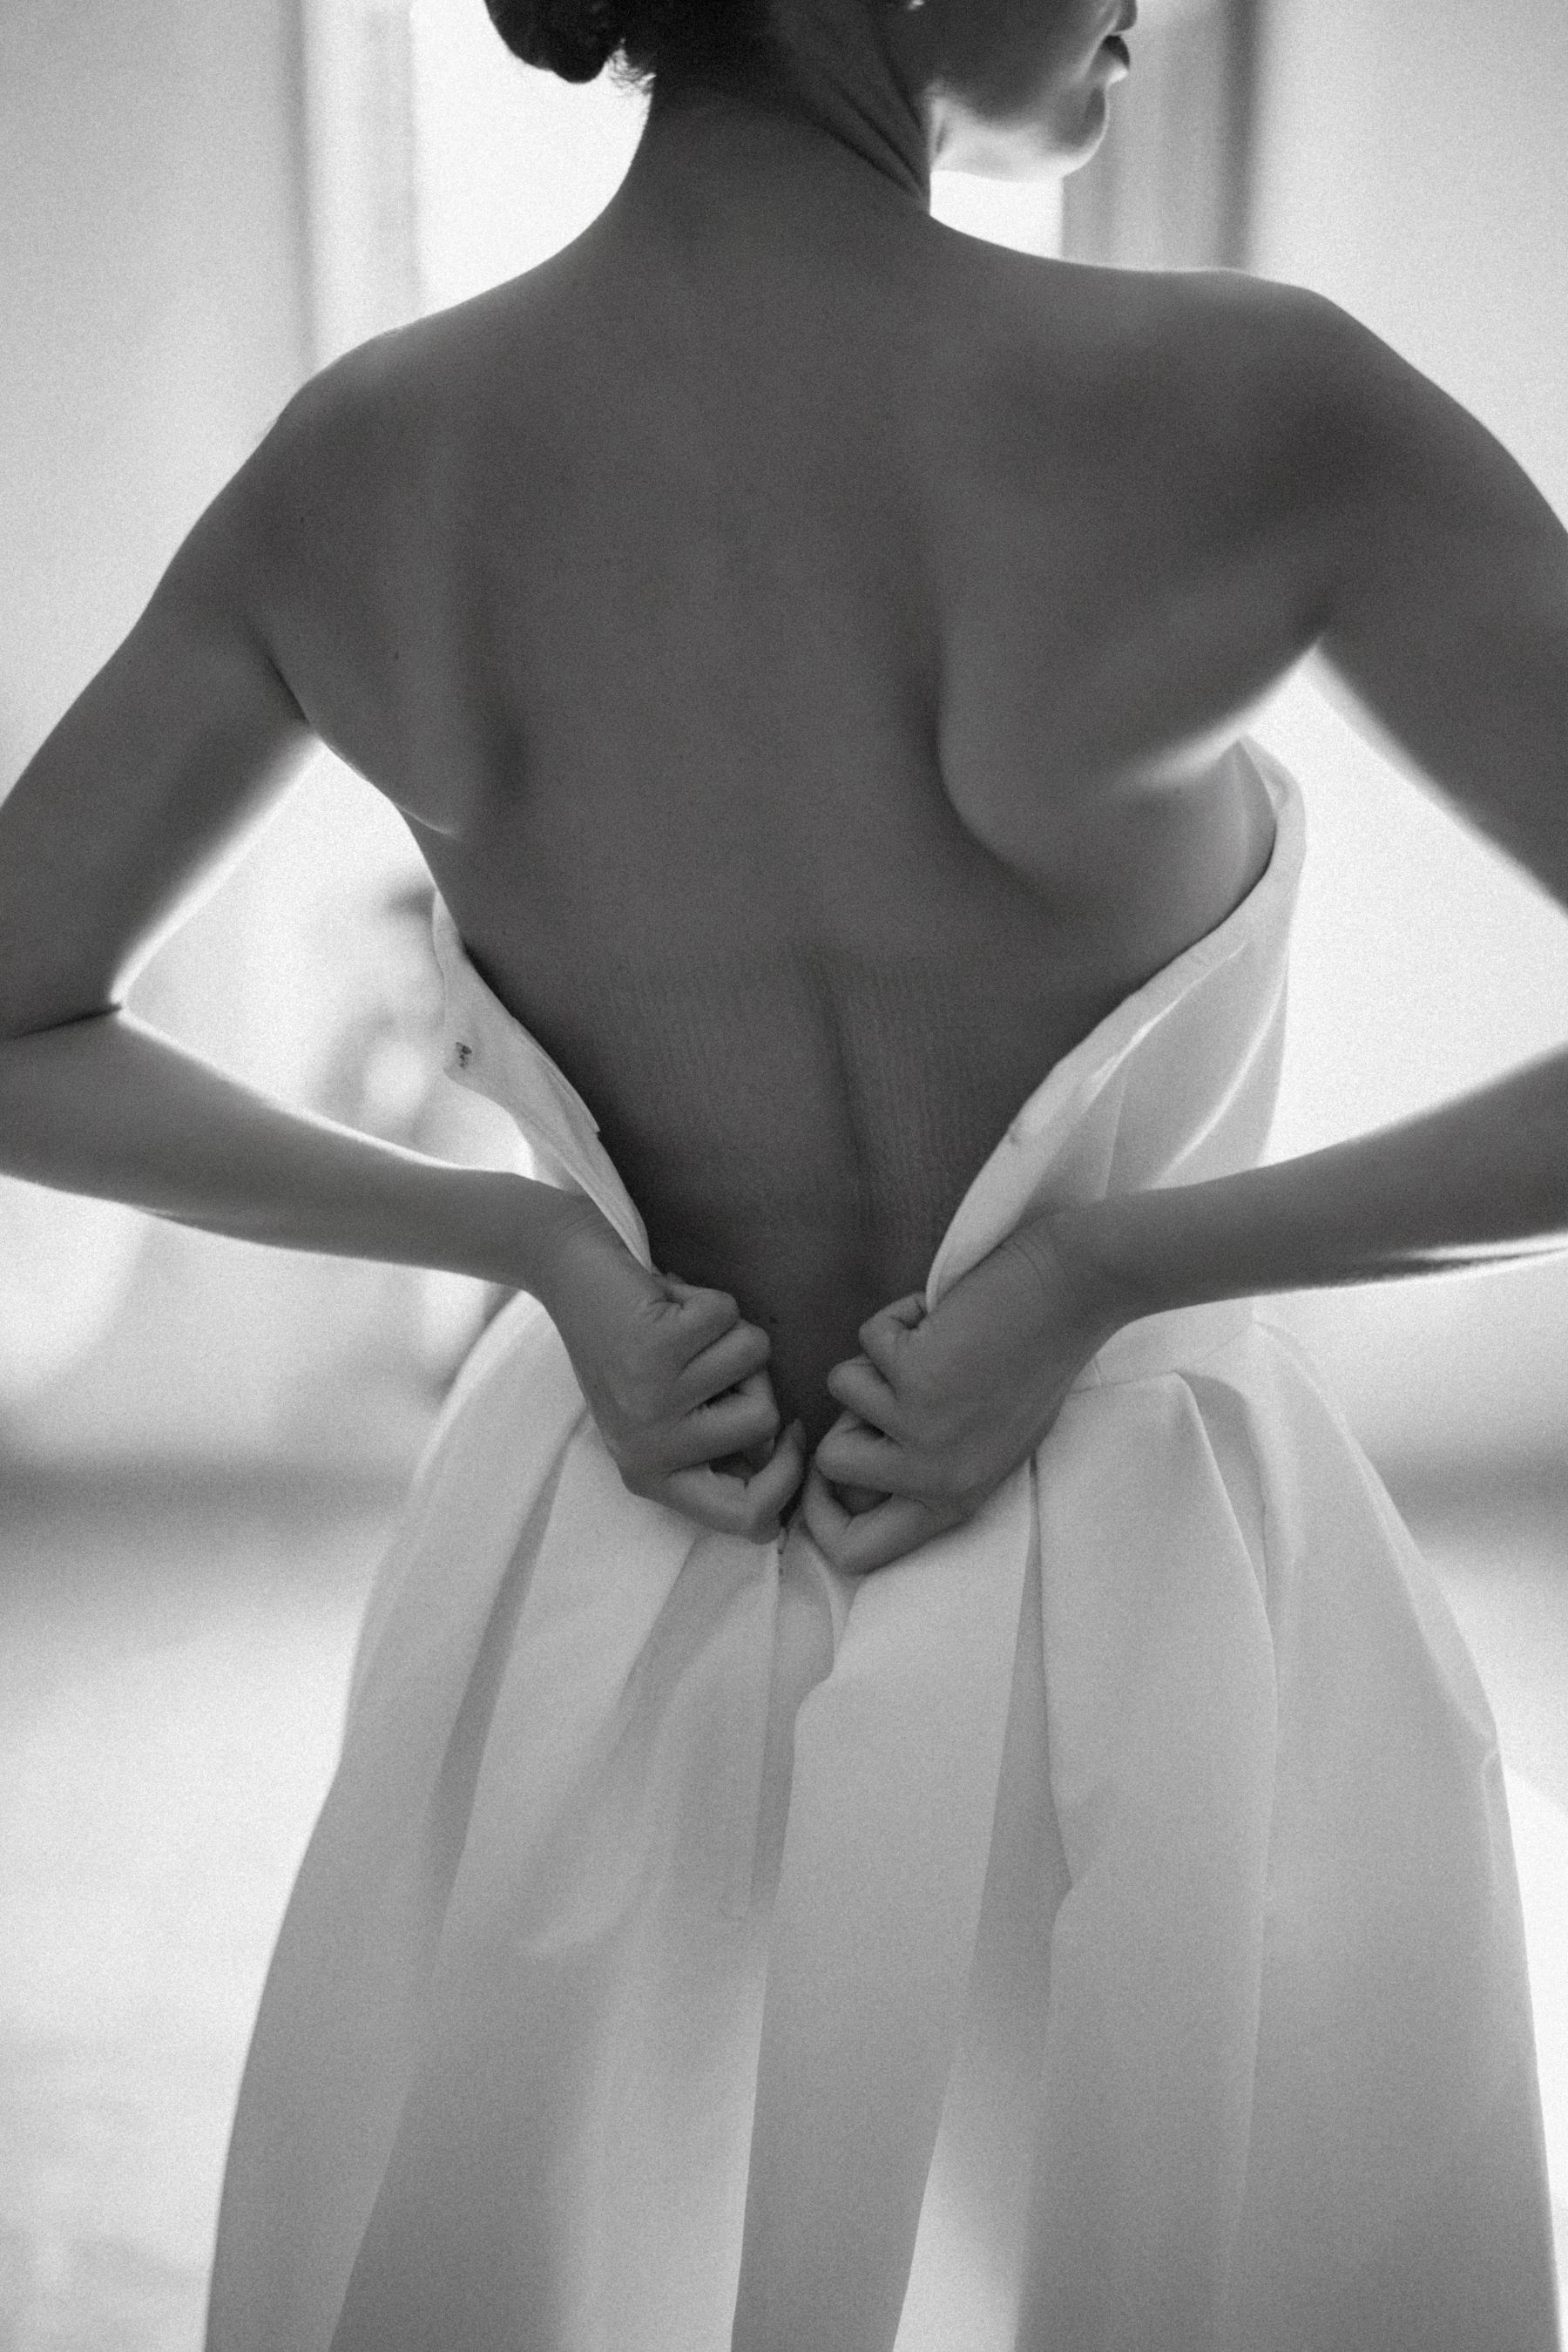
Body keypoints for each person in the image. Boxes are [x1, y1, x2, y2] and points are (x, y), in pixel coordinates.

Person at [1, 0, 1564, 2340]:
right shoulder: (1261, 406)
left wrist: (530, 1240)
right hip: (1161, 1628)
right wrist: (1106, 1269)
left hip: (612, 1576)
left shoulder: (371, 465)